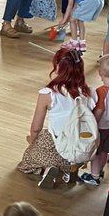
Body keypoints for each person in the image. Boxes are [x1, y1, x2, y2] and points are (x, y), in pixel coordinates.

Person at [17, 47, 94, 189]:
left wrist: (33, 141)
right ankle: (70, 170)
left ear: (58, 67)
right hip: (79, 147)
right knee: (69, 154)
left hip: (57, 144)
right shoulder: (89, 92)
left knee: (27, 161)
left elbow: (36, 126)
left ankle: (47, 169)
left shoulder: (48, 93)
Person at [81, 54, 109, 186]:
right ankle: (100, 171)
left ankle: (94, 176)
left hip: (101, 126)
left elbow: (99, 110)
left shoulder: (100, 91)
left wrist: (91, 122)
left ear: (100, 72)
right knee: (105, 151)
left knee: (96, 152)